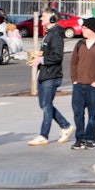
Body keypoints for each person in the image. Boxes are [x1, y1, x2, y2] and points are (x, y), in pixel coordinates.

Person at [27, 8, 74, 146]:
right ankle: (65, 126)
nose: (41, 18)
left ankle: (44, 135)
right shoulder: (49, 34)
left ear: (52, 19)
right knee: (44, 104)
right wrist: (37, 56)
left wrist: (41, 60)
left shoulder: (56, 35)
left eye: (44, 17)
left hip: (51, 75)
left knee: (46, 106)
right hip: (45, 74)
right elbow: (49, 53)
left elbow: (57, 56)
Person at [69, 17, 95, 150]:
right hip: (79, 85)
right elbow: (73, 63)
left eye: (85, 28)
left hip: (93, 87)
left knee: (92, 114)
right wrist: (74, 80)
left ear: (92, 30)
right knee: (78, 114)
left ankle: (90, 139)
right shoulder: (79, 44)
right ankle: (80, 138)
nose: (82, 30)